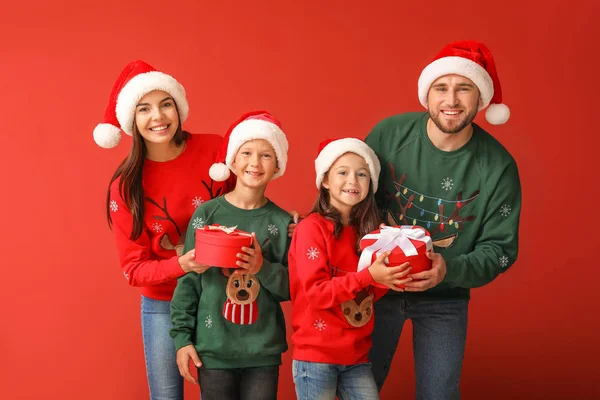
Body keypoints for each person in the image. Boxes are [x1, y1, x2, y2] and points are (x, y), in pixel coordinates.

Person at [365, 40, 522, 399]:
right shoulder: (389, 136)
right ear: (427, 95)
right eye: (441, 88)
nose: (451, 100)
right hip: (375, 287)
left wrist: (447, 269)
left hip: (445, 297)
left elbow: (500, 249)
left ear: (480, 99)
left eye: (463, 88)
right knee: (355, 386)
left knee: (439, 393)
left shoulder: (498, 167)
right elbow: (350, 197)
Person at [95, 59, 235, 400]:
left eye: (165, 104)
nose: (157, 117)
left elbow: (246, 207)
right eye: (145, 109)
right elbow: (133, 269)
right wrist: (182, 264)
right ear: (132, 119)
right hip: (163, 305)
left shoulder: (215, 150)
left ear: (178, 107)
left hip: (219, 295)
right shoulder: (126, 186)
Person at [170, 111, 292, 400]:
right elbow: (188, 281)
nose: (255, 162)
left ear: (277, 166)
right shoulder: (207, 214)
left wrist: (262, 267)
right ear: (233, 161)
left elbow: (293, 288)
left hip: (262, 353)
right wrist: (182, 339)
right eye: (246, 152)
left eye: (266, 155)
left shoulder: (283, 223)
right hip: (213, 351)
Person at [288, 138, 413, 400]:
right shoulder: (311, 229)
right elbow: (317, 293)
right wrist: (369, 276)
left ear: (371, 184)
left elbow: (368, 294)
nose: (352, 181)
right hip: (316, 356)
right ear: (325, 181)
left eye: (362, 174)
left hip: (356, 355)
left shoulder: (369, 234)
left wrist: (388, 278)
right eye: (342, 172)